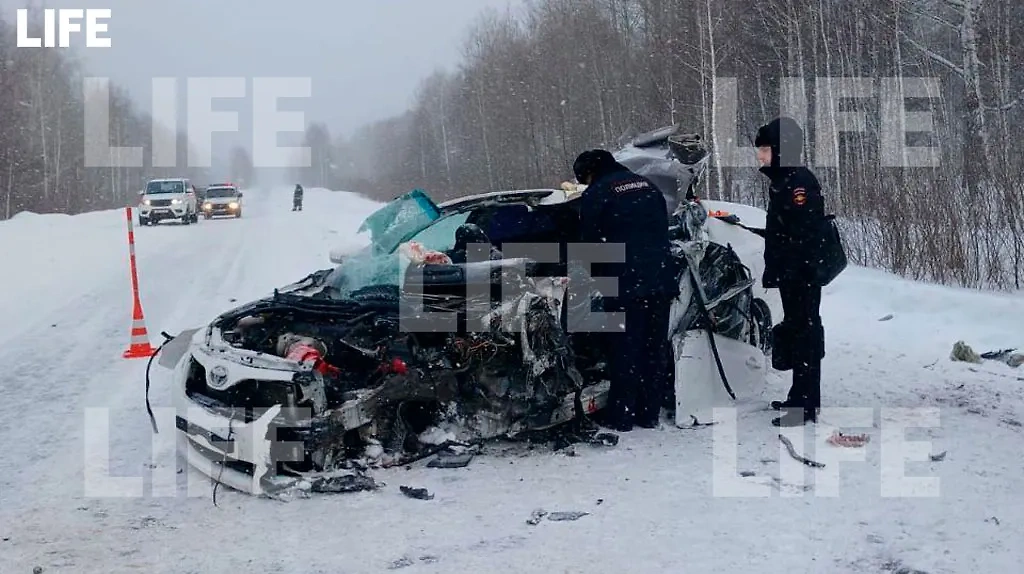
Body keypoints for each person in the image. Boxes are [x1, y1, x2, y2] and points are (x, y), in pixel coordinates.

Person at [573, 149, 678, 432]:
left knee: (624, 351)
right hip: (660, 280)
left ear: (590, 173)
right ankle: (649, 413)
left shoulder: (598, 194)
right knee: (653, 350)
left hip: (624, 284)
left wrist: (585, 277)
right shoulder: (648, 186)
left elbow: (589, 245)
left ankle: (621, 417)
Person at [753, 117, 827, 427]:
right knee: (798, 332)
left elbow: (804, 231)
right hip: (793, 273)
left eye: (765, 150)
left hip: (802, 275)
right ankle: (800, 396)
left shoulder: (798, 182)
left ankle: (805, 407)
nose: (760, 156)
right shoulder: (783, 181)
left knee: (805, 334)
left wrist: (790, 265)